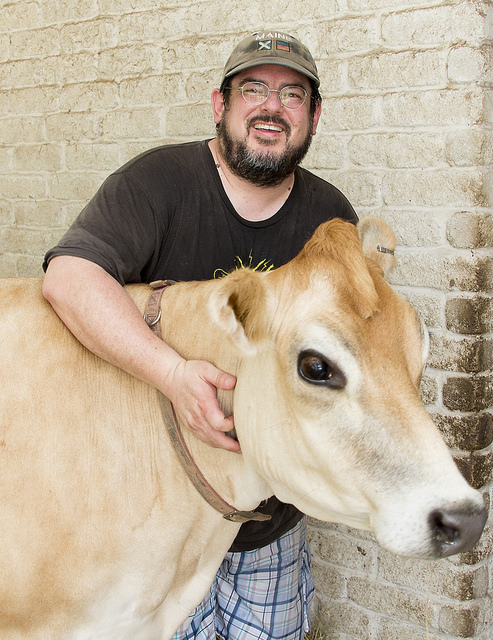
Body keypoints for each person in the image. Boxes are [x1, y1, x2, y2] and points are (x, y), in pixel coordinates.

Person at [42, 30, 357, 640]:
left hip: (269, 524)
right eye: (254, 89)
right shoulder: (158, 182)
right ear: (221, 103)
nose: (272, 106)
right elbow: (69, 278)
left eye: (293, 95)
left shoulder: (328, 216)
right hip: (161, 519)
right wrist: (172, 373)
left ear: (314, 117)